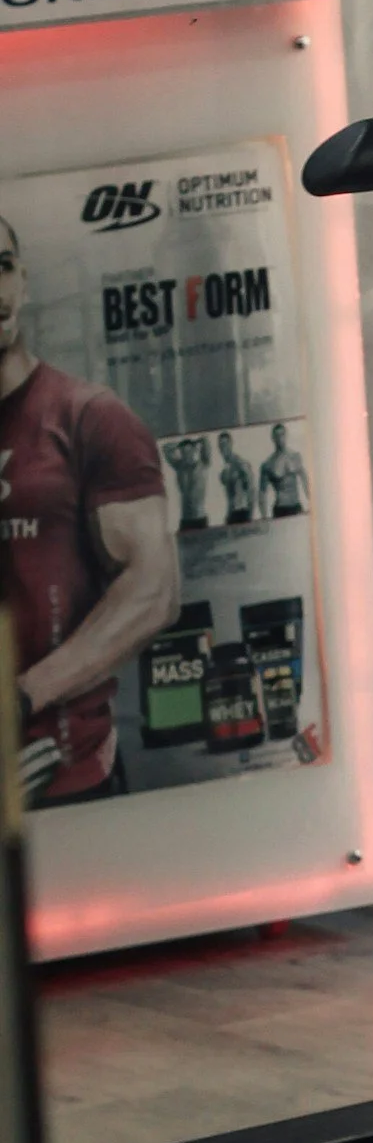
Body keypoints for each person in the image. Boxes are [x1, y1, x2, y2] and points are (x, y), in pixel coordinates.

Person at [0, 217, 178, 804]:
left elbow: (153, 589)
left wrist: (23, 695)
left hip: (64, 773)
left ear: (22, 281)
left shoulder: (89, 416)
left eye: (2, 267)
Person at [258, 421, 310, 518]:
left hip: (296, 506)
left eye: (282, 435)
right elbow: (262, 493)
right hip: (280, 509)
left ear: (286, 436)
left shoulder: (295, 457)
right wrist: (264, 517)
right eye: (277, 436)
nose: (280, 438)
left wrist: (313, 504)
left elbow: (305, 480)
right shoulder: (268, 464)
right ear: (273, 438)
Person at [167, 436, 210, 533]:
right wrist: (179, 445)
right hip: (185, 519)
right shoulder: (179, 467)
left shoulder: (202, 465)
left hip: (200, 518)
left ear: (194, 451)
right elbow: (165, 448)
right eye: (183, 452)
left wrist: (195, 442)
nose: (186, 454)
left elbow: (206, 441)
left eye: (189, 451)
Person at [217, 430, 254, 525]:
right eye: (220, 444)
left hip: (242, 513)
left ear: (231, 444)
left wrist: (250, 516)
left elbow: (251, 490)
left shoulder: (241, 463)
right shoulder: (225, 469)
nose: (223, 447)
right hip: (231, 514)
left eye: (225, 444)